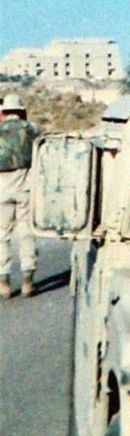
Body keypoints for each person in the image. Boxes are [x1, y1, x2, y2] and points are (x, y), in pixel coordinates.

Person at [0, 94, 39, 298]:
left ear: (3, 112)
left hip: (1, 189)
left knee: (1, 235)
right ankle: (27, 282)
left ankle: (4, 283)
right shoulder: (31, 129)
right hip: (26, 186)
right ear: (21, 111)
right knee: (26, 231)